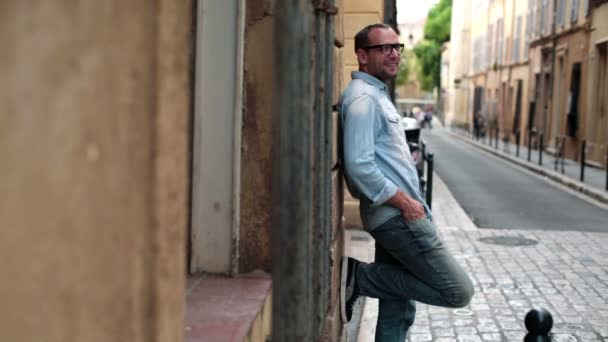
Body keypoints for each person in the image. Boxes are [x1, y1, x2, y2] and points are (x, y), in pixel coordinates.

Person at [339, 24, 474, 341]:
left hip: (398, 214)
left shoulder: (376, 95)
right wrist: (405, 202)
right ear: (361, 55)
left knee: (398, 310)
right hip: (397, 217)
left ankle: (366, 281)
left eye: (396, 48)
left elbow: (377, 155)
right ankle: (360, 278)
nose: (394, 54)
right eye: (384, 48)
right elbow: (359, 165)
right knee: (457, 290)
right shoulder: (364, 100)